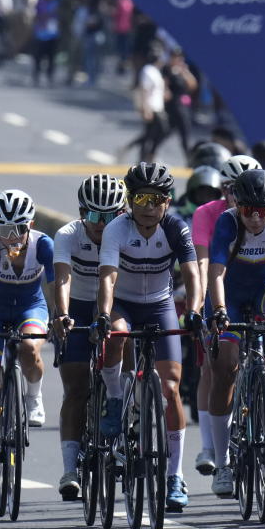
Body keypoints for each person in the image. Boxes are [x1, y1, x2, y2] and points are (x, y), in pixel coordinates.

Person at [93, 163, 203, 511]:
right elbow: (108, 277)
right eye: (140, 197)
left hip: (159, 305)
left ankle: (174, 476)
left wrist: (196, 310)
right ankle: (114, 398)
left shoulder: (175, 229)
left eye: (155, 199)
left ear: (166, 202)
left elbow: (193, 273)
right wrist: (101, 315)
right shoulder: (116, 229)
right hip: (123, 304)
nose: (147, 205)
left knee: (170, 390)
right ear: (130, 199)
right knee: (118, 334)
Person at [207, 169, 265, 496]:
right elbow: (215, 273)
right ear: (238, 207)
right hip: (228, 294)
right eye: (248, 211)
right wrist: (218, 311)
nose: (256, 219)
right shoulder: (228, 222)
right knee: (224, 368)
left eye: (263, 211)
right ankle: (222, 462)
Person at [0, 190, 55, 490]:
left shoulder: (43, 244)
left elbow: (56, 284)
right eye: (3, 230)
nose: (11, 236)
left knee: (30, 347)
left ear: (30, 225)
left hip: (31, 306)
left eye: (18, 229)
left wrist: (59, 316)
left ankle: (34, 396)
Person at [51, 174, 127, 499]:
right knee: (76, 387)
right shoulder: (67, 235)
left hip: (116, 304)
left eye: (110, 216)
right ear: (83, 213)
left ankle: (126, 424)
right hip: (78, 307)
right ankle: (70, 470)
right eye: (95, 216)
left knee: (130, 351)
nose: (102, 224)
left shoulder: (126, 234)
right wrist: (63, 315)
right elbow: (63, 279)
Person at [190, 154, 260, 476]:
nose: (237, 194)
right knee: (215, 367)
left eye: (242, 188)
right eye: (230, 188)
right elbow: (203, 262)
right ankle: (209, 446)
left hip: (257, 290)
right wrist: (203, 303)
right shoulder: (209, 214)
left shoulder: (263, 211)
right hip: (220, 291)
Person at [161, 50, 197, 159]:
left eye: (180, 57)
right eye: (175, 57)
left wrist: (185, 72)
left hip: (182, 106)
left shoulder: (183, 71)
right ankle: (149, 153)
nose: (178, 60)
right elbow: (164, 86)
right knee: (162, 132)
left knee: (185, 133)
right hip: (172, 106)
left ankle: (189, 158)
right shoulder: (166, 70)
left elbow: (193, 86)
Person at [32, 0, 60, 86]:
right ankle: (36, 77)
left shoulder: (56, 3)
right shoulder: (40, 3)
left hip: (52, 35)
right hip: (41, 34)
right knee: (38, 58)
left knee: (51, 58)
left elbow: (59, 17)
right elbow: (36, 16)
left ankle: (50, 77)